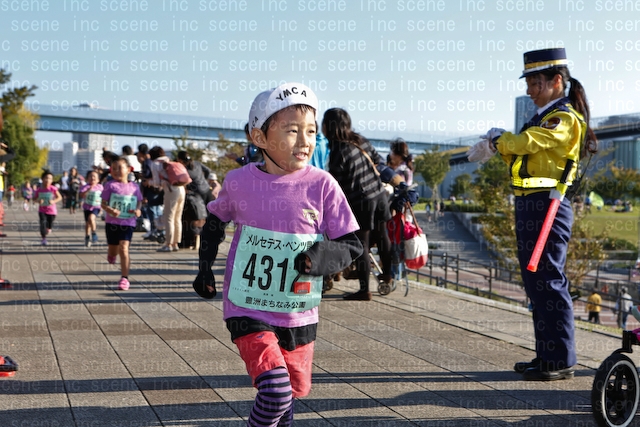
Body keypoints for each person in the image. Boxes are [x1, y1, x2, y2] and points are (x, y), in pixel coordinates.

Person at [192, 82, 362, 426]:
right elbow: (214, 222)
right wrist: (205, 269)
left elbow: (352, 244)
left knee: (289, 395)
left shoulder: (323, 184)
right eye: (291, 131)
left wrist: (318, 258)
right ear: (260, 137)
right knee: (276, 392)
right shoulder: (238, 181)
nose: (304, 141)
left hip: (298, 310)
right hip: (246, 304)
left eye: (311, 131)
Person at [468, 47, 598, 381]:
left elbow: (528, 143)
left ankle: (561, 359)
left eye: (535, 83)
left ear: (556, 81)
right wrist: (496, 147)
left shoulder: (563, 118)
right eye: (528, 83)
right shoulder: (541, 117)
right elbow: (522, 155)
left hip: (549, 205)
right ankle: (546, 354)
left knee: (549, 280)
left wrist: (499, 140)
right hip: (531, 204)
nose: (529, 90)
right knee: (536, 282)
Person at [323, 107, 395, 301]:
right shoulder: (359, 139)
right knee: (382, 236)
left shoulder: (338, 150)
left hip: (361, 201)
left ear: (328, 126)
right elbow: (378, 161)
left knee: (362, 243)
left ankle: (364, 290)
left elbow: (335, 185)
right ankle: (388, 275)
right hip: (379, 194)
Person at [100, 157, 143, 291]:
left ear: (129, 170)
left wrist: (138, 210)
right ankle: (111, 255)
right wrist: (110, 210)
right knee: (113, 249)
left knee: (124, 248)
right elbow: (103, 203)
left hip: (128, 222)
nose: (116, 171)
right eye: (114, 168)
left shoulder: (134, 187)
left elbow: (139, 201)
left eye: (120, 168)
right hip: (112, 222)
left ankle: (124, 278)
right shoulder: (110, 185)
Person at [149, 146, 183, 252]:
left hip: (171, 190)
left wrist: (149, 182)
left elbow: (156, 183)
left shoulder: (155, 164)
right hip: (181, 188)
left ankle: (168, 244)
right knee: (177, 218)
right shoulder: (170, 160)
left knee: (169, 218)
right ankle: (175, 243)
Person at [176, 150, 211, 249]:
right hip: (207, 189)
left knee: (196, 216)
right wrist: (204, 180)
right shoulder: (197, 163)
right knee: (206, 216)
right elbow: (208, 170)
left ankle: (192, 239)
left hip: (197, 194)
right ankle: (206, 238)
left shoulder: (184, 169)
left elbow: (183, 181)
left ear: (180, 160)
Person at [34, 170, 63, 246]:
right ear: (42, 179)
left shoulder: (53, 189)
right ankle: (43, 238)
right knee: (43, 223)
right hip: (42, 210)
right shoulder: (39, 190)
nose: (48, 180)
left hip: (52, 211)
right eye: (46, 178)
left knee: (49, 224)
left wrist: (53, 201)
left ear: (52, 180)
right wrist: (38, 201)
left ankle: (49, 228)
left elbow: (60, 197)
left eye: (50, 178)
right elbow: (34, 199)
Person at [79, 170, 103, 247]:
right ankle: (87, 236)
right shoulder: (85, 187)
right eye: (90, 176)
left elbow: (104, 197)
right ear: (87, 178)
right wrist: (88, 190)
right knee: (87, 223)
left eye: (94, 176)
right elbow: (81, 195)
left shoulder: (100, 187)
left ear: (98, 179)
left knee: (91, 218)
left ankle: (94, 233)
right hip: (87, 207)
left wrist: (103, 206)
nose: (92, 178)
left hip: (96, 207)